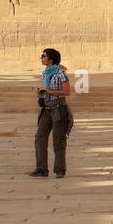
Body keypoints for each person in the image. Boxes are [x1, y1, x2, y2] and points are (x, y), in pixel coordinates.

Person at [30, 48, 74, 178]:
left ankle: (60, 169)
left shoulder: (61, 73)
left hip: (58, 109)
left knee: (58, 139)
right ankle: (41, 168)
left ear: (51, 59)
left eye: (43, 56)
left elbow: (67, 92)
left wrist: (48, 90)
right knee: (40, 137)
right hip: (47, 108)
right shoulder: (44, 73)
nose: (41, 58)